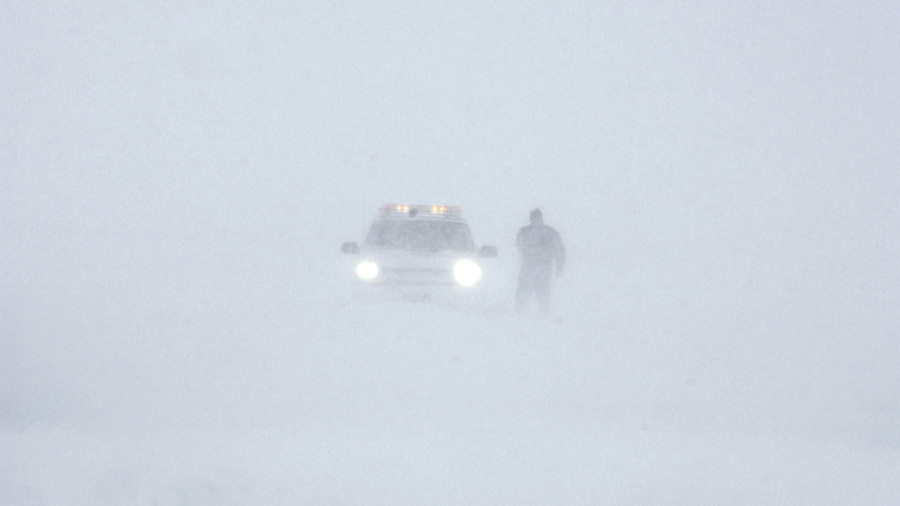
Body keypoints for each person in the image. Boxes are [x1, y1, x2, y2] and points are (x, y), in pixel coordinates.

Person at [515, 208, 565, 313]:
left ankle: (543, 315)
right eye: (533, 218)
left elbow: (560, 250)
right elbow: (518, 244)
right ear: (530, 219)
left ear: (541, 218)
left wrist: (559, 267)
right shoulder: (524, 231)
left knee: (543, 292)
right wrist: (529, 250)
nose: (535, 220)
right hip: (528, 266)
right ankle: (518, 314)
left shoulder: (550, 232)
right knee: (524, 290)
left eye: (537, 217)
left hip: (545, 267)